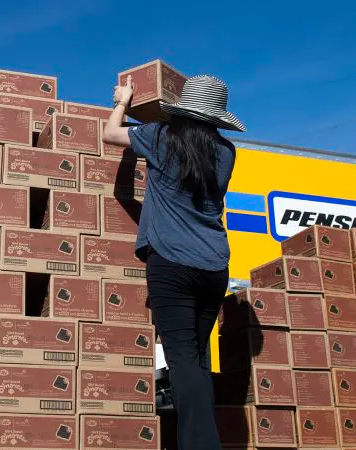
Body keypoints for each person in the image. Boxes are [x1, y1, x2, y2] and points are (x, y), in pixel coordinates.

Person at [103, 75, 245, 450]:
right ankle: (192, 440)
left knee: (183, 360)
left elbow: (111, 134)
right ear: (215, 118)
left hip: (172, 263)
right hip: (214, 265)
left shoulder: (161, 138)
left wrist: (123, 101)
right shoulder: (227, 152)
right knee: (196, 359)